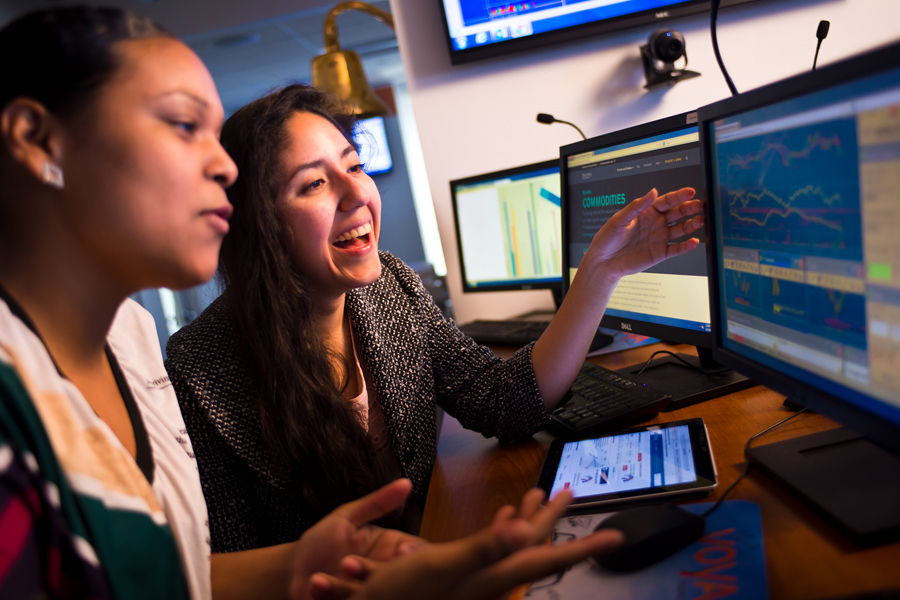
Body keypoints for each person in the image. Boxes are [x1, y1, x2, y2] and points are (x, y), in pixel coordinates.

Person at [0, 6, 627, 600]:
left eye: (355, 165)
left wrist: (315, 567)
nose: (221, 166)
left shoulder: (131, 338)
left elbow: (184, 574)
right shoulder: (186, 369)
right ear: (36, 139)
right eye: (184, 125)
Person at [164, 85, 703, 589]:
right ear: (258, 224)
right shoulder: (200, 367)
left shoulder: (391, 287)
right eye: (315, 183)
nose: (358, 192)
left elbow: (503, 402)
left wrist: (598, 277)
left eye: (355, 166)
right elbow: (212, 571)